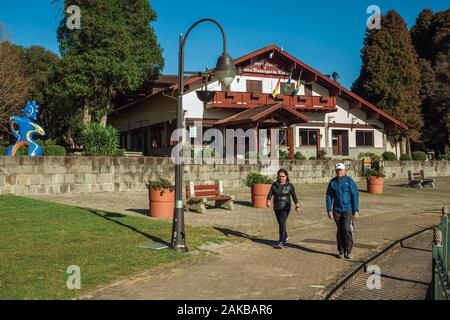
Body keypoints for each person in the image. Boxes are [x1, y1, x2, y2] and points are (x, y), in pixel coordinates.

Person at [326, 163, 359, 259]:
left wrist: (355, 211)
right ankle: (341, 251)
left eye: (340, 170)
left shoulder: (349, 181)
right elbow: (328, 196)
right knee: (340, 230)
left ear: (344, 171)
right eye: (337, 170)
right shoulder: (333, 182)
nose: (339, 172)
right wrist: (329, 210)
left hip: (348, 209)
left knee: (347, 229)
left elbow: (355, 196)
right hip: (337, 210)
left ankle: (348, 250)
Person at [266, 169, 300, 249]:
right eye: (280, 176)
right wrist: (268, 201)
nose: (281, 178)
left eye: (283, 176)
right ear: (278, 176)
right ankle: (285, 236)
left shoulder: (290, 186)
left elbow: (294, 196)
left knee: (282, 222)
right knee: (281, 224)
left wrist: (297, 205)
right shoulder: (274, 185)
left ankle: (281, 242)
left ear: (286, 176)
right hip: (277, 207)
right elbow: (270, 194)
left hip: (286, 207)